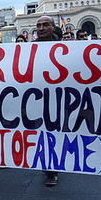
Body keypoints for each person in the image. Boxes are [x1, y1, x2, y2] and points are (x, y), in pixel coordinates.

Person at [33, 16, 62, 187]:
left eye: (45, 25)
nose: (41, 28)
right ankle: (47, 163)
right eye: (38, 25)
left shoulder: (66, 48)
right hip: (36, 98)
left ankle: (52, 170)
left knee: (53, 134)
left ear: (53, 27)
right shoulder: (27, 49)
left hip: (58, 99)